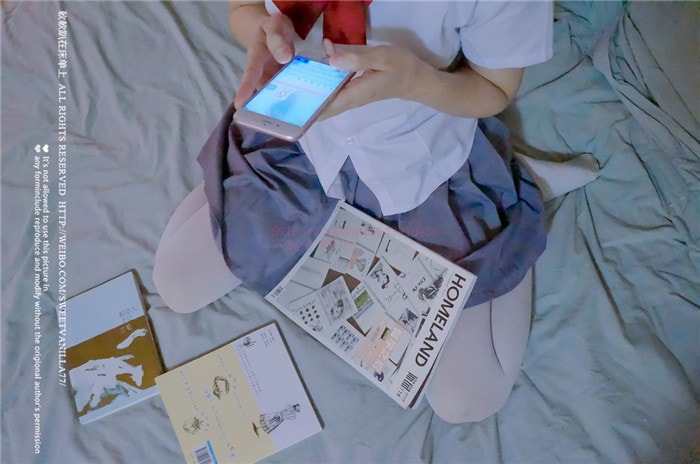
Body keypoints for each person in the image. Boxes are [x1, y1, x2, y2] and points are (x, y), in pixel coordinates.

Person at [153, 0, 595, 423]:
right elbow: (244, 10)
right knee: (177, 284)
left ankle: (515, 200)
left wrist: (416, 83)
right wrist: (262, 34)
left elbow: (493, 88)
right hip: (301, 142)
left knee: (467, 399)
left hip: (425, 162)